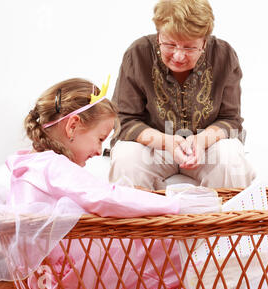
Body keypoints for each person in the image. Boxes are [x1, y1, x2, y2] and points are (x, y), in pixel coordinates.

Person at [0, 77, 220, 289]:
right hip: (71, 276)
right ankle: (208, 284)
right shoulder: (52, 164)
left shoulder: (24, 164)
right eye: (100, 138)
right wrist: (175, 205)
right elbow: (104, 197)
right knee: (165, 241)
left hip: (47, 279)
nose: (100, 151)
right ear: (72, 126)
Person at [109, 0, 256, 190]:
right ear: (158, 35)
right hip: (153, 146)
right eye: (169, 44)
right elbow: (124, 121)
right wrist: (166, 142)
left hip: (206, 145)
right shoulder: (138, 53)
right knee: (126, 157)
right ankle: (138, 220)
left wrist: (201, 141)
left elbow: (230, 120)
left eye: (189, 47)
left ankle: (226, 220)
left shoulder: (224, 55)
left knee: (230, 156)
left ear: (205, 41)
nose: (178, 56)